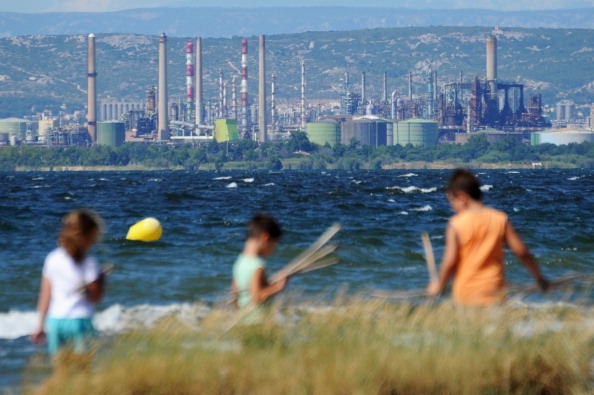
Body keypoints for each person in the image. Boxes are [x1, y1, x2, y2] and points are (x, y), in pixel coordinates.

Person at [427, 169, 549, 306]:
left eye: (452, 202)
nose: (453, 208)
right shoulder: (500, 218)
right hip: (495, 292)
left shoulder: (456, 224)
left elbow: (450, 261)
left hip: (466, 294)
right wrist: (539, 278)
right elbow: (522, 252)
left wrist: (439, 286)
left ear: (462, 197)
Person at [32, 208, 106, 356]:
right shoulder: (89, 262)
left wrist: (40, 325)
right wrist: (101, 280)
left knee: (61, 370)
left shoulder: (52, 258)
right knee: (83, 370)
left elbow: (45, 295)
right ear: (87, 237)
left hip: (56, 322)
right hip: (80, 321)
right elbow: (95, 298)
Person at [231, 213, 288, 309]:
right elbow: (256, 296)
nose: (273, 249)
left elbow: (234, 293)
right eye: (274, 244)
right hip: (257, 319)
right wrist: (278, 286)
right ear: (265, 238)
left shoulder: (240, 261)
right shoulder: (258, 265)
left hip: (243, 317)